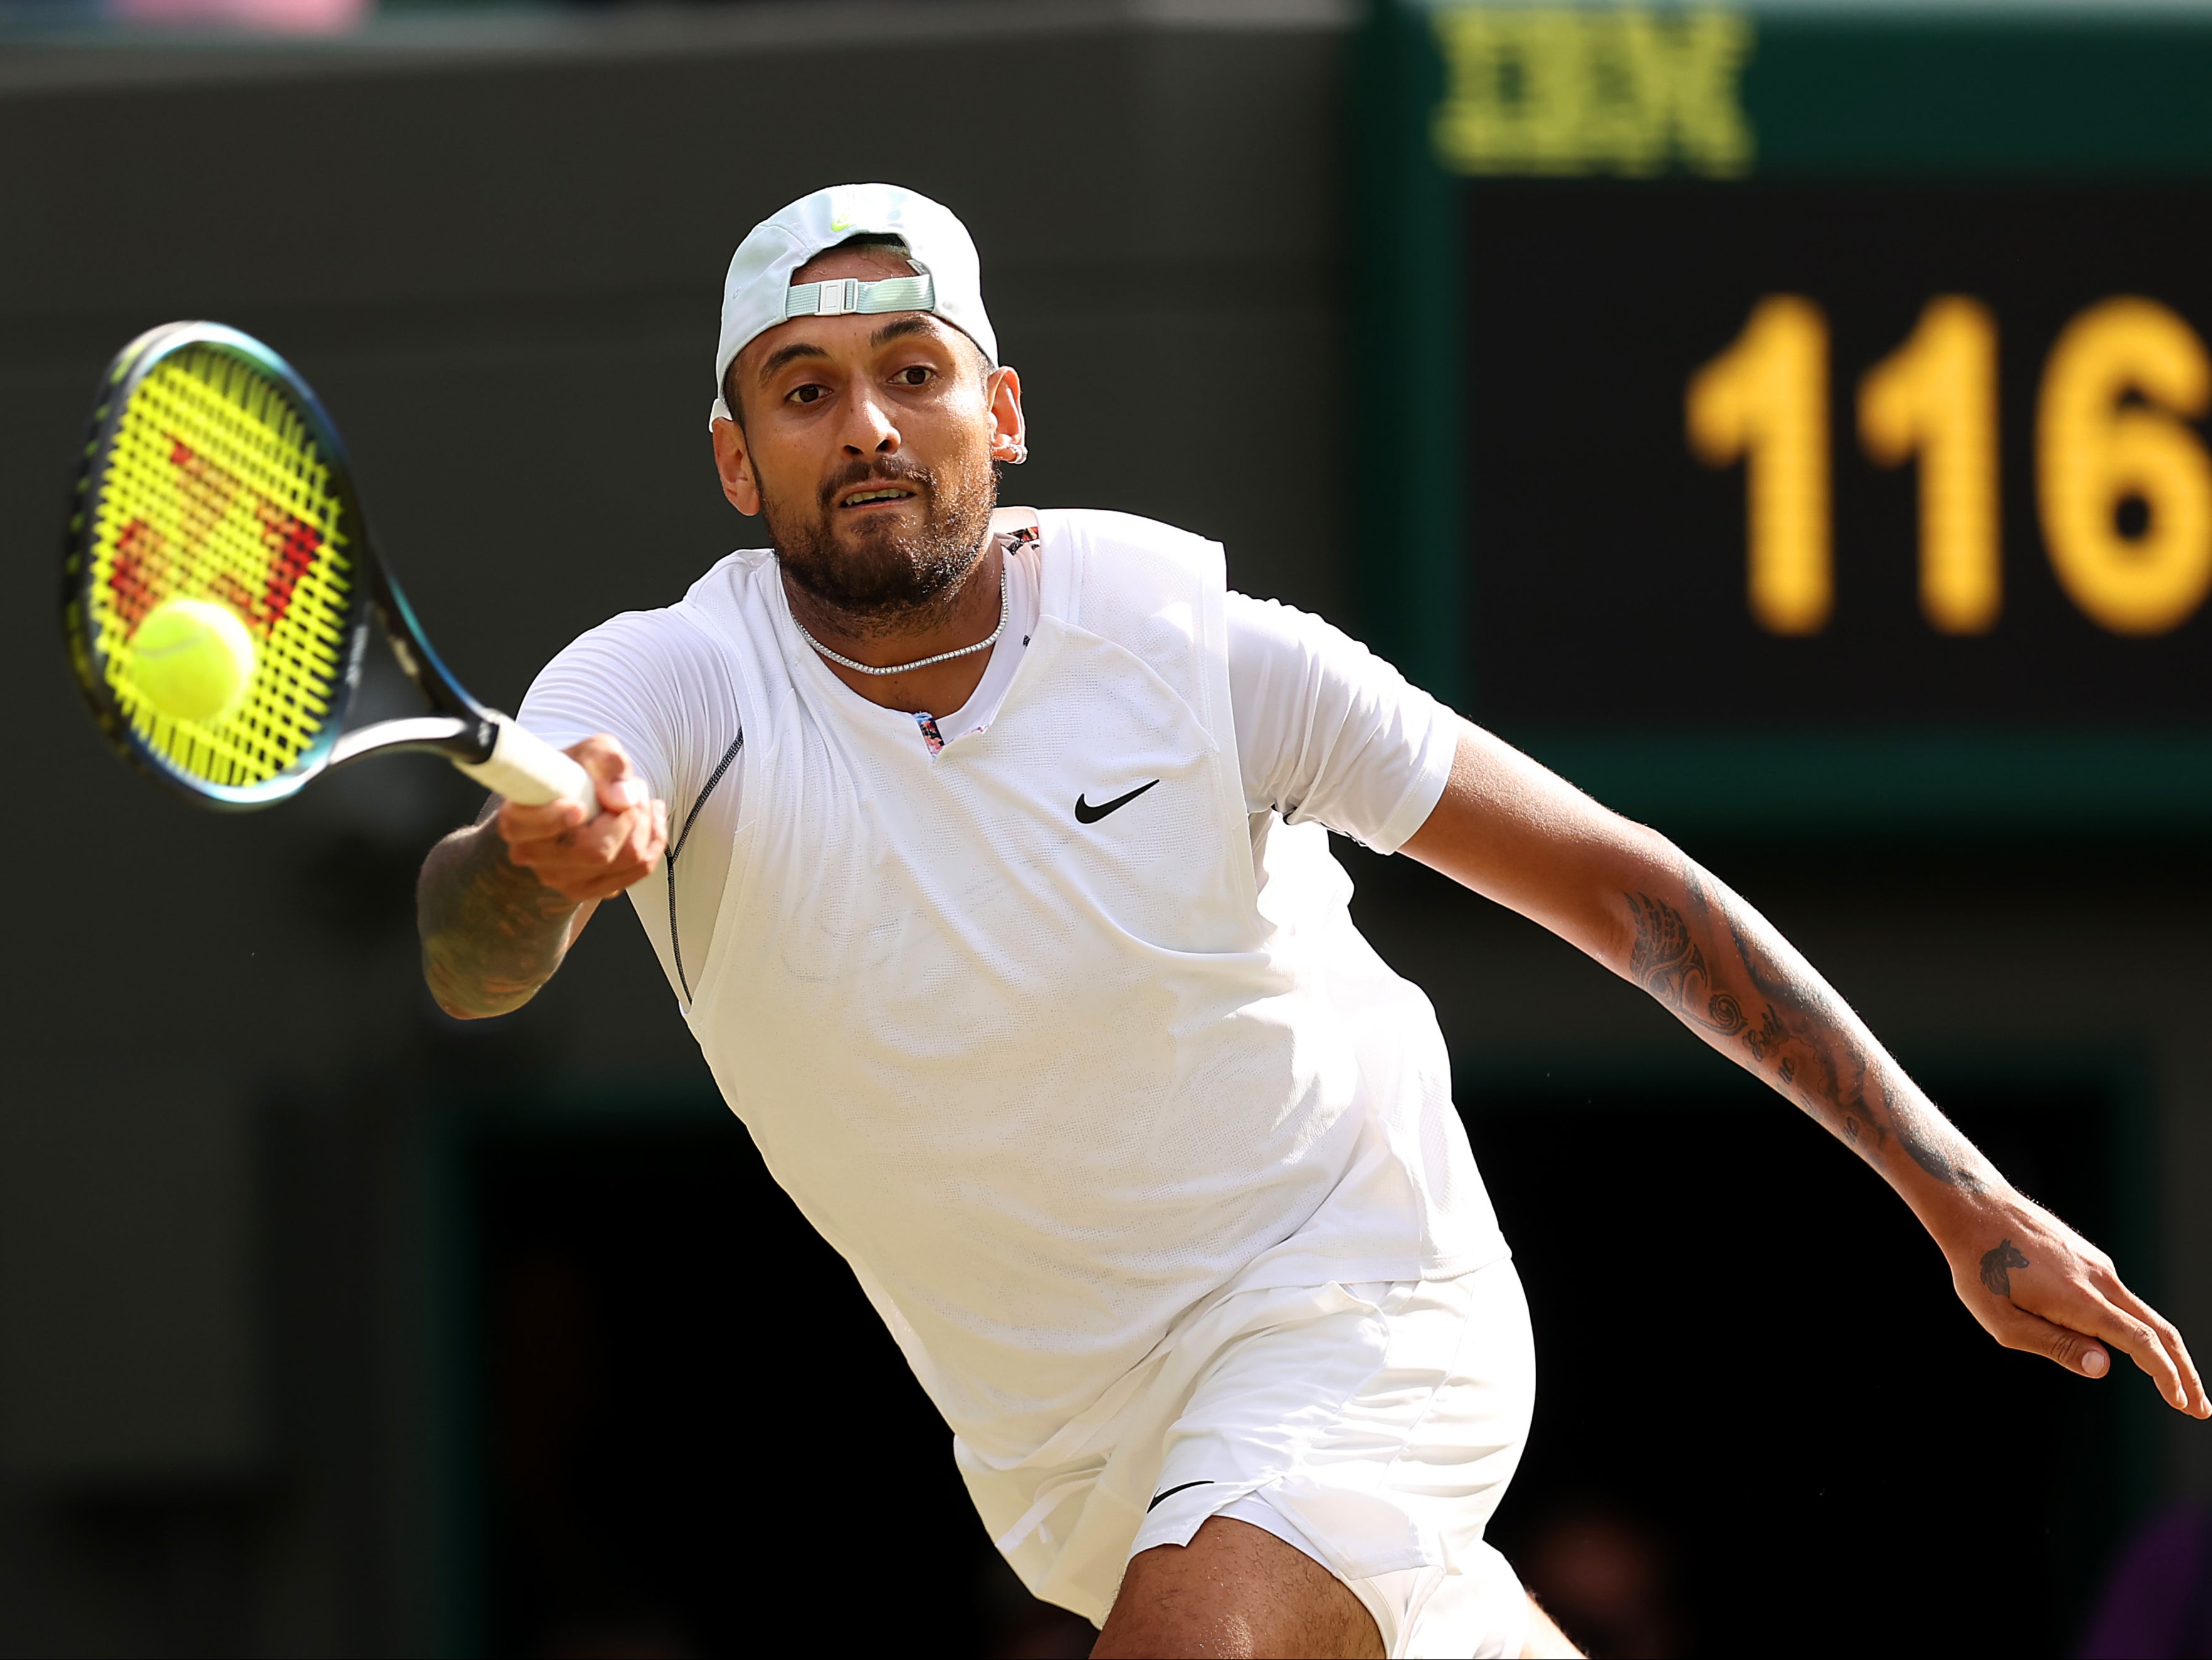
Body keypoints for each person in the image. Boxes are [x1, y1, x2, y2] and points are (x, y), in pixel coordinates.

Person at [415, 184, 2207, 1659]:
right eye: (802, 390)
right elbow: (466, 951)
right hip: (1060, 1460)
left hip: (1356, 1306)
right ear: (737, 463)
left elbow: (1624, 888)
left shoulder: (1201, 653)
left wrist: (1953, 1195)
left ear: (1003, 413)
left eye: (911, 370)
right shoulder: (664, 682)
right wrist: (536, 868)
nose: (867, 423)